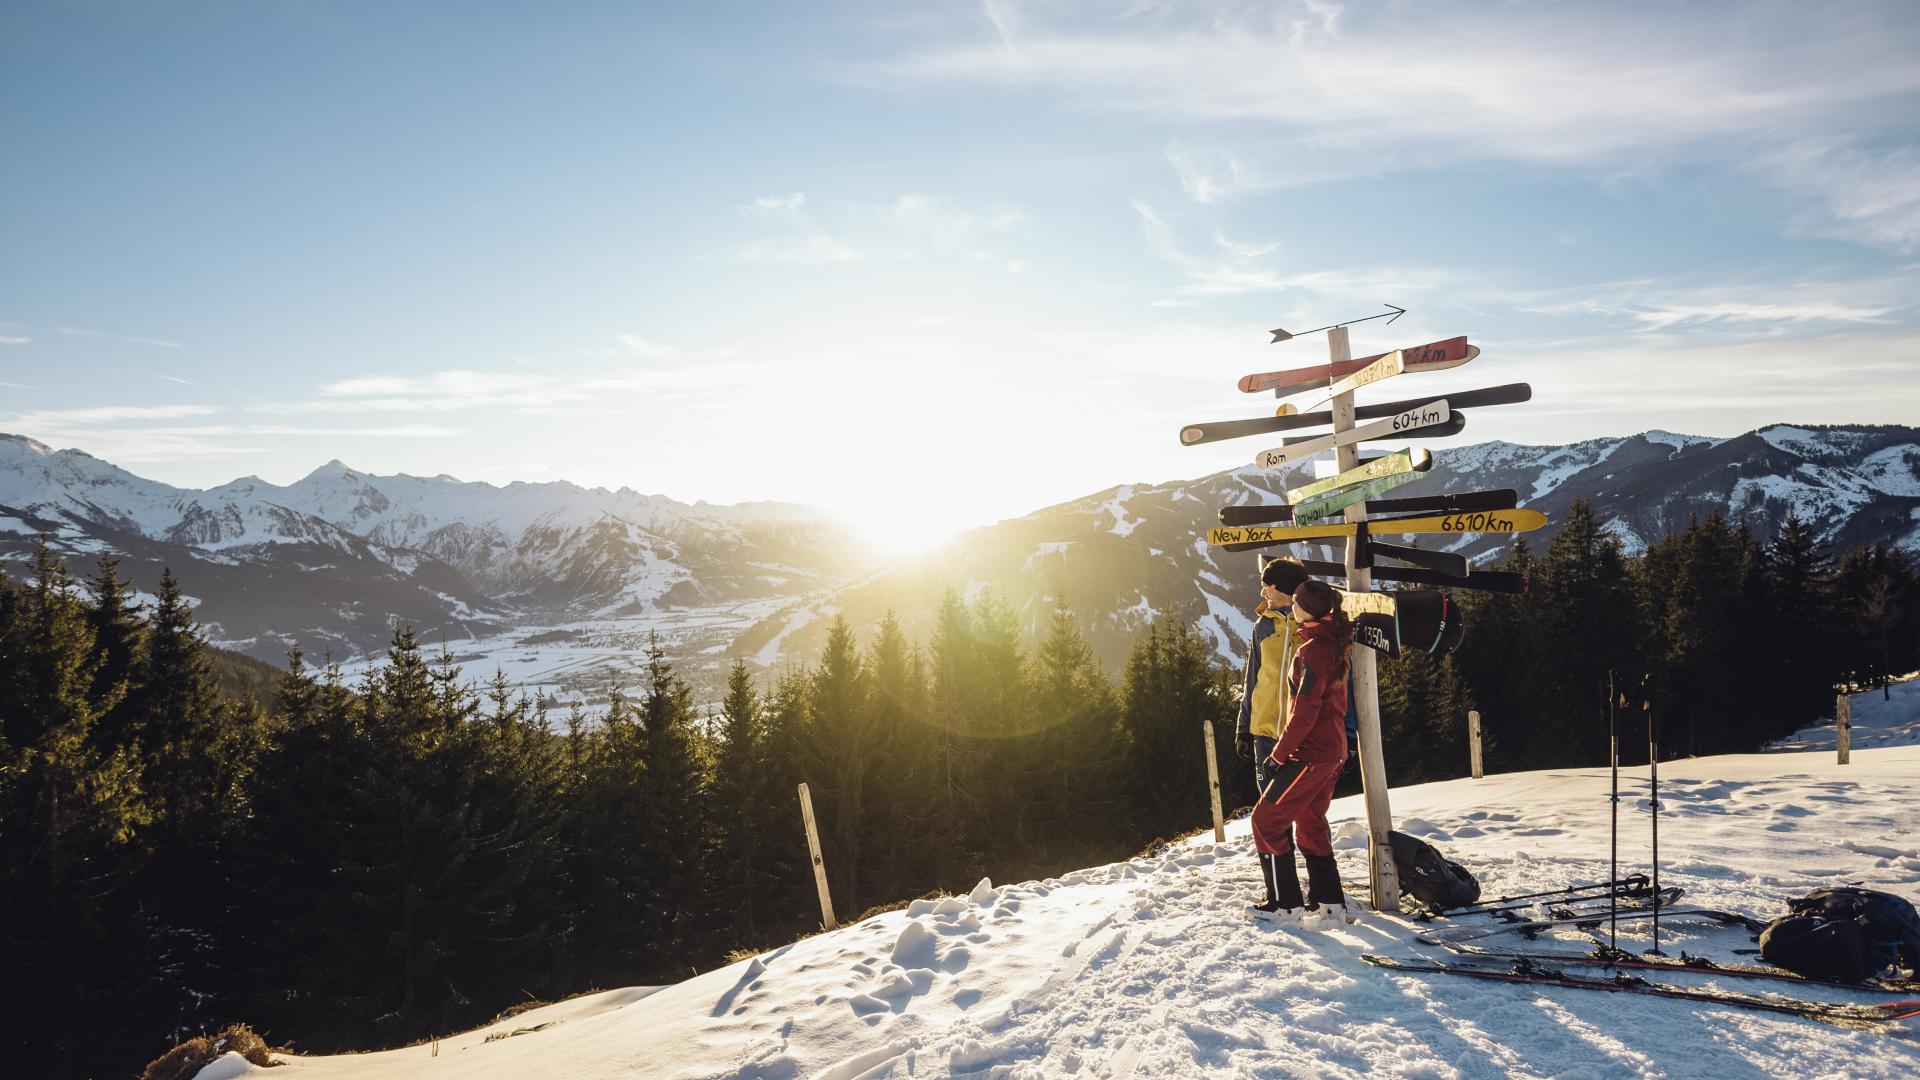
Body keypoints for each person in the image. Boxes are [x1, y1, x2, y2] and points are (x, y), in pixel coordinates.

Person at [1249, 577, 1354, 918]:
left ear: (1308, 611)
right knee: (1310, 821)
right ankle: (1329, 903)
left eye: (1296, 602)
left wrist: (1278, 755)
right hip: (1331, 751)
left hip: (1311, 753)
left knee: (1266, 821)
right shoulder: (1333, 643)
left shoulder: (1311, 651)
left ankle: (1284, 905)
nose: (1291, 606)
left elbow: (1305, 713)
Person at [1235, 556, 1307, 911]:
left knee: (1305, 816)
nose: (1262, 590)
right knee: (1268, 815)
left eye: (1267, 584)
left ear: (1281, 589)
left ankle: (1315, 891)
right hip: (1266, 732)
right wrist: (1243, 726)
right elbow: (1253, 678)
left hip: (1301, 735)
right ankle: (1277, 891)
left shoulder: (1309, 623)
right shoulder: (1261, 626)